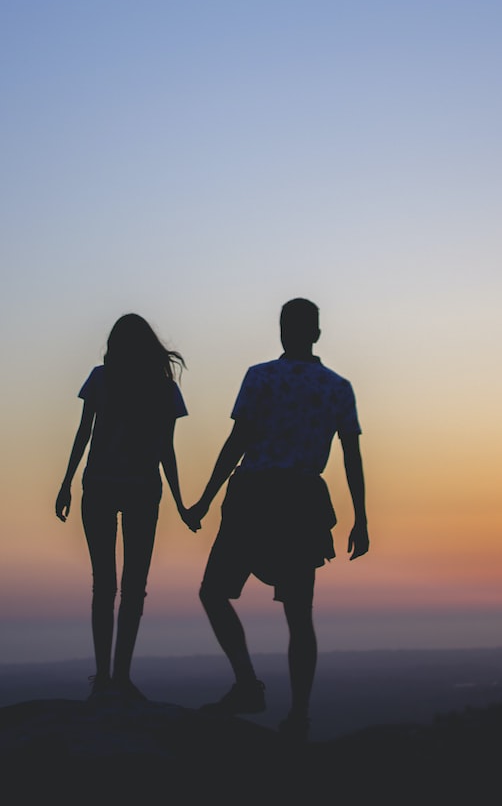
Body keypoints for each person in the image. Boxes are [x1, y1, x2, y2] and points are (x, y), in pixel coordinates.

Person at [187, 298, 368, 741]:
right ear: (317, 334)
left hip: (254, 495)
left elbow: (237, 442)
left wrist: (206, 500)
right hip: (302, 501)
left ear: (284, 331)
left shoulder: (261, 377)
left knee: (214, 592)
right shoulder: (337, 387)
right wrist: (361, 519)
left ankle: (248, 685)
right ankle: (299, 716)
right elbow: (351, 458)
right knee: (299, 614)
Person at [56, 314, 198, 701]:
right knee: (133, 588)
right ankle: (119, 677)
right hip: (141, 490)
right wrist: (182, 504)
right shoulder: (164, 389)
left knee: (104, 586)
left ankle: (105, 678)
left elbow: (84, 433)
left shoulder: (101, 378)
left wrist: (66, 483)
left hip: (100, 485)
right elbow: (166, 451)